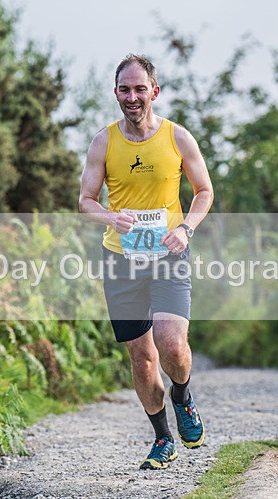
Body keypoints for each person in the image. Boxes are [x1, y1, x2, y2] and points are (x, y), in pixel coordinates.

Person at [78, 53, 214, 470]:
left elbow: (204, 191)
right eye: (125, 89)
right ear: (116, 93)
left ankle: (183, 397)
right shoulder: (104, 141)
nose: (132, 96)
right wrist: (110, 217)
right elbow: (85, 201)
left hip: (169, 255)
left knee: (172, 343)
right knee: (142, 356)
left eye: (140, 89)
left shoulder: (178, 138)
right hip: (122, 261)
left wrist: (185, 229)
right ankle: (162, 439)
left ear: (154, 91)